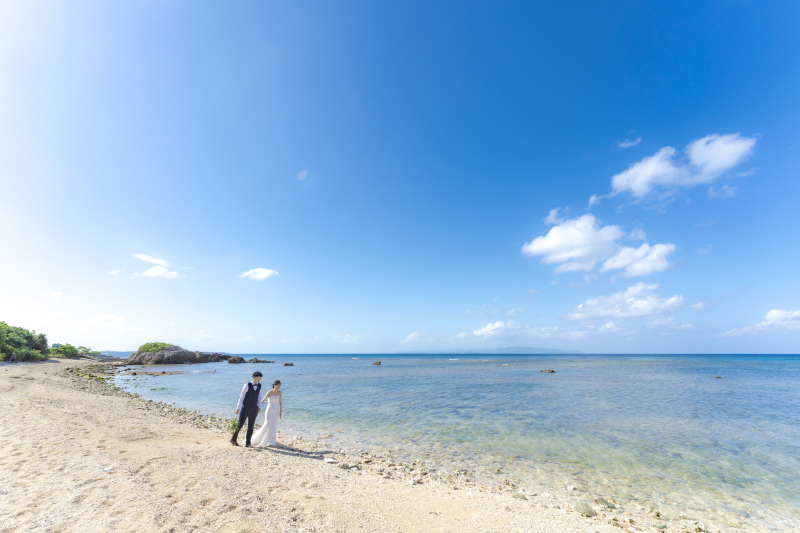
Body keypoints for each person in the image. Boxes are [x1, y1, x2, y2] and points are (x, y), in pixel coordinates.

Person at [230, 371, 264, 447]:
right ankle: (233, 439)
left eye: (260, 378)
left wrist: (259, 407)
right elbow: (241, 397)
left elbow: (259, 397)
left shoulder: (260, 386)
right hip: (245, 408)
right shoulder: (247, 385)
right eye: (258, 377)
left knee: (251, 426)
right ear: (254, 377)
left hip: (254, 409)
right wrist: (238, 408)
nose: (259, 379)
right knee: (240, 425)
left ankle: (248, 443)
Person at [252, 380, 282, 447]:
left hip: (276, 410)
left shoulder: (280, 392)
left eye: (279, 385)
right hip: (269, 410)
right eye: (277, 385)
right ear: (274, 385)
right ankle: (263, 441)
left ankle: (271, 442)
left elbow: (280, 402)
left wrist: (280, 412)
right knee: (267, 424)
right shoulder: (269, 392)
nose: (278, 386)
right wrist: (257, 407)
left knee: (274, 425)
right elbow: (263, 400)